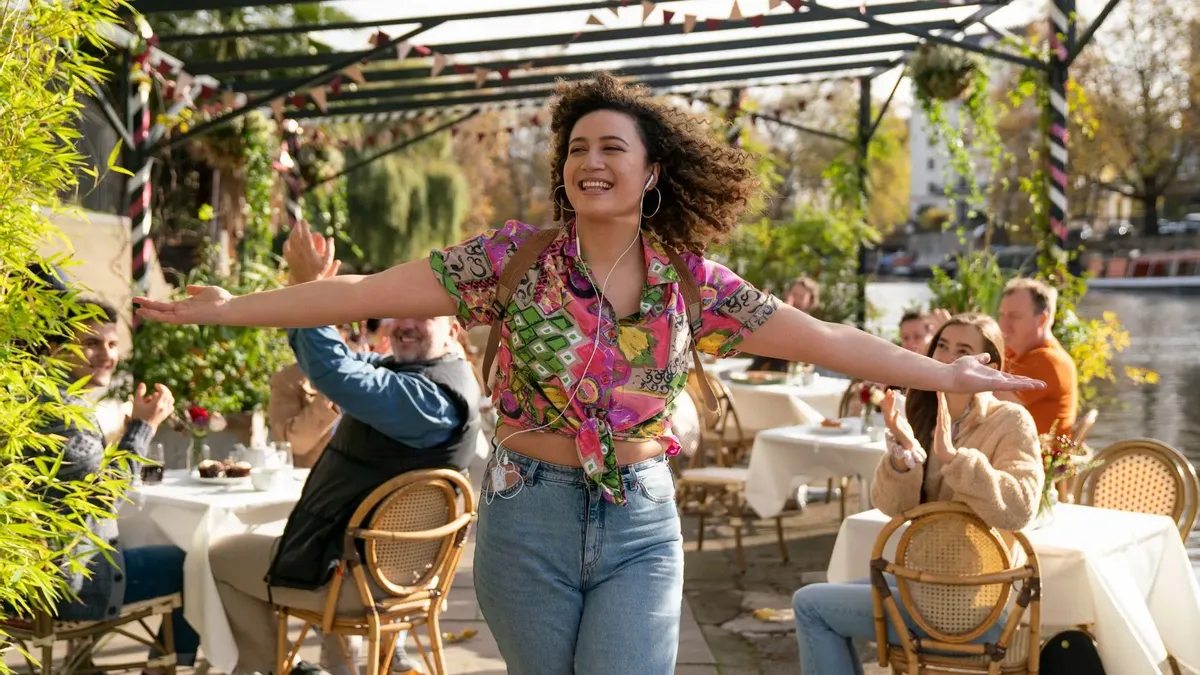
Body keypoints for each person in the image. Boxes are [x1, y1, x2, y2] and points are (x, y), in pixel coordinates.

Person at [134, 73, 1042, 675]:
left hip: (641, 519)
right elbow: (357, 292)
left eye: (612, 147)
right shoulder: (512, 260)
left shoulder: (692, 280)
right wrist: (225, 307)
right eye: (576, 148)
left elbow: (826, 338)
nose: (590, 161)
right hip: (527, 514)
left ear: (651, 174)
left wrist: (947, 375)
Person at [207, 225, 480, 675]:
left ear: (453, 331)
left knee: (214, 556)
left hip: (359, 577)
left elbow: (337, 374)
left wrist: (307, 288)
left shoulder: (429, 400)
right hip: (377, 568)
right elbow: (347, 363)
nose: (405, 324)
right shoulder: (427, 375)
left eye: (422, 316)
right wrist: (315, 296)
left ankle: (272, 667)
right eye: (398, 313)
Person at [791, 313, 1044, 674]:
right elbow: (891, 507)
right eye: (942, 346)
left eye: (964, 351)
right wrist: (903, 459)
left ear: (991, 369)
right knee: (821, 599)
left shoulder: (1011, 421)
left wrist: (955, 459)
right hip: (925, 586)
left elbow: (1020, 508)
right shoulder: (921, 410)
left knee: (810, 605)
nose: (949, 359)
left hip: (976, 604)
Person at [34, 298, 199, 668]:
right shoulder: (62, 414)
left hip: (33, 579)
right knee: (196, 563)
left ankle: (82, 664)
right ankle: (165, 668)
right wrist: (144, 427)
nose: (106, 355)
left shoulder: (39, 400)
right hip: (70, 586)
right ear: (55, 348)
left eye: (112, 344)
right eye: (91, 343)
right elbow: (104, 497)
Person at [997, 278, 1078, 435]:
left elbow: (987, 402)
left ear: (1042, 320)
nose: (1003, 325)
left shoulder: (1048, 360)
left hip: (1036, 450)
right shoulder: (1016, 350)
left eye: (1015, 316)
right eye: (1002, 315)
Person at [748, 276, 821, 372]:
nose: (796, 299)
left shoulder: (809, 324)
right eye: (794, 294)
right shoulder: (774, 312)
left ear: (810, 300)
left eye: (801, 297)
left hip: (790, 370)